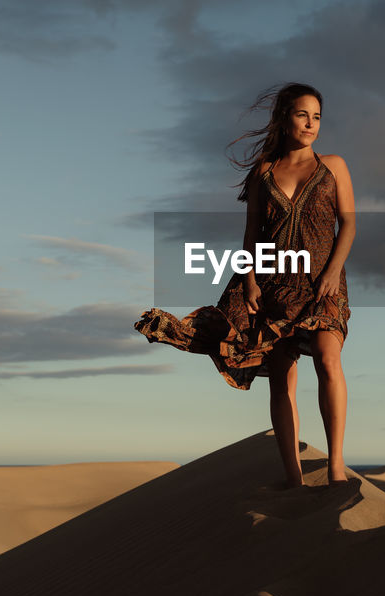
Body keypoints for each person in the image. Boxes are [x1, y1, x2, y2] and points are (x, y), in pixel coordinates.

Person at [134, 82, 356, 489]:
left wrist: (332, 271)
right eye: (303, 114)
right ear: (284, 118)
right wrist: (251, 282)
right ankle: (294, 478)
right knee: (281, 374)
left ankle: (337, 468)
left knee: (328, 357)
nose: (311, 123)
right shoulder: (264, 173)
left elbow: (350, 224)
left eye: (317, 116)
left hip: (321, 281)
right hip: (272, 282)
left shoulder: (335, 166)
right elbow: (251, 236)